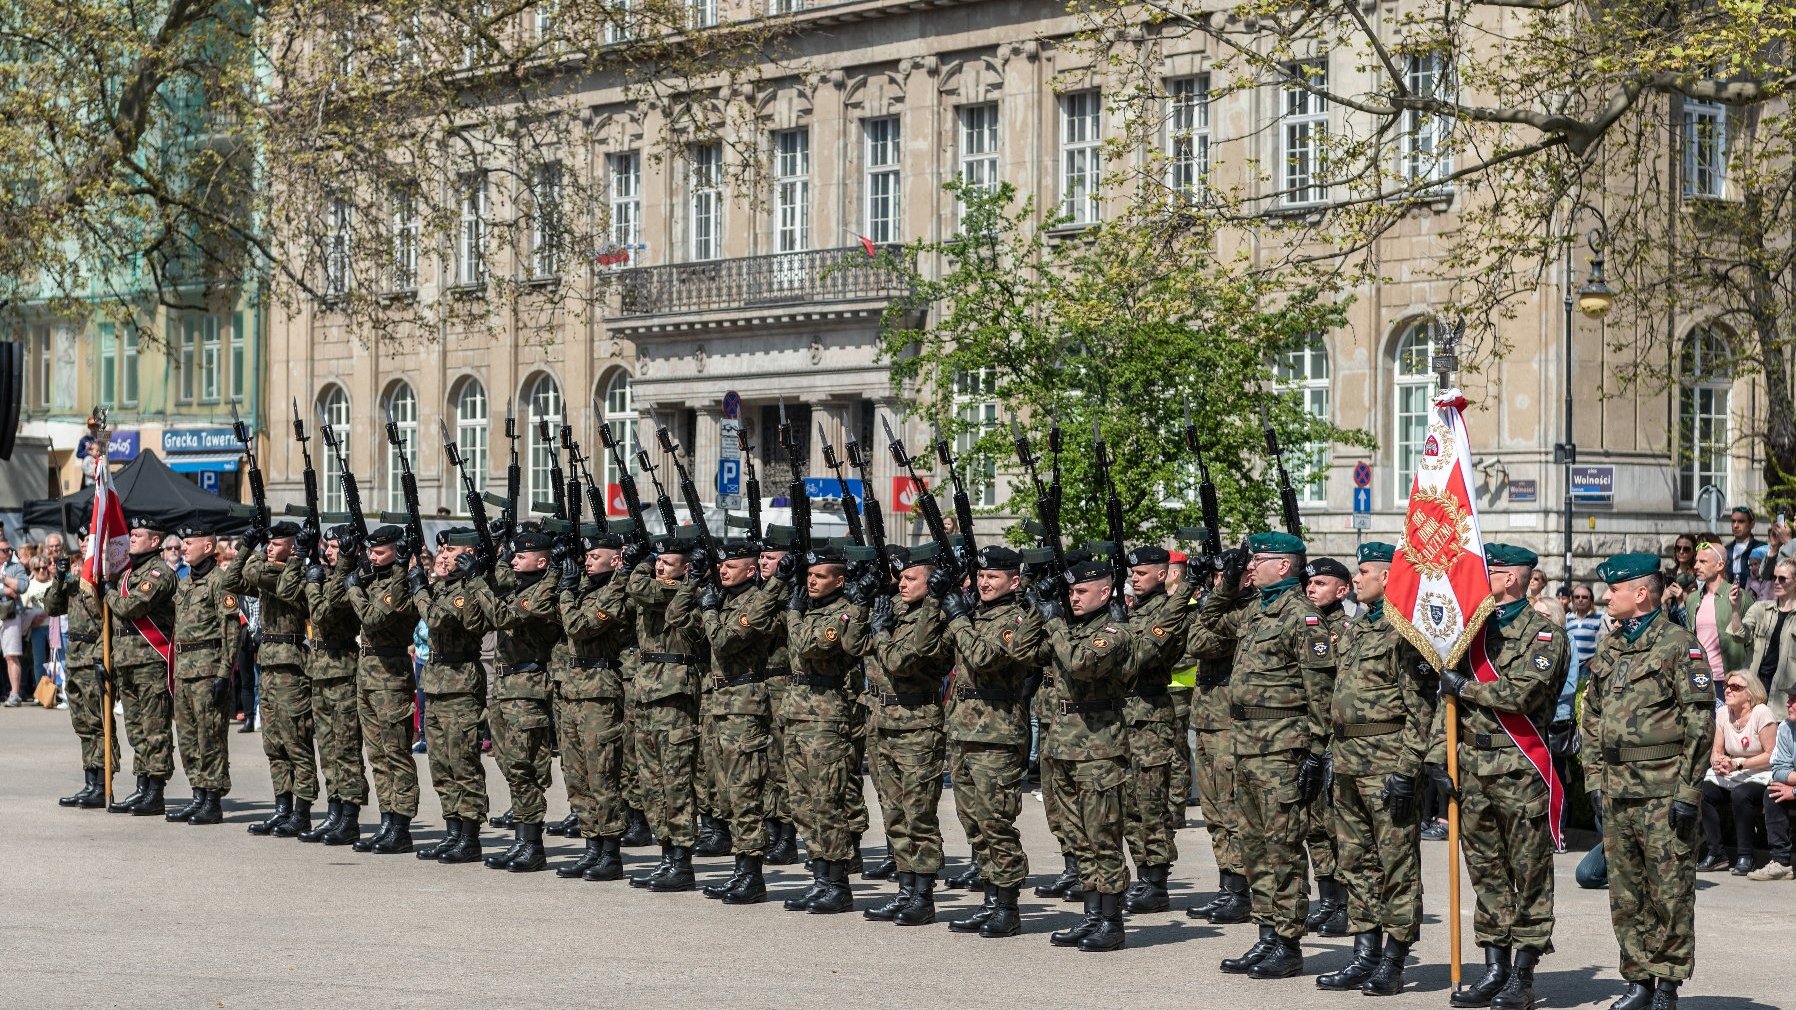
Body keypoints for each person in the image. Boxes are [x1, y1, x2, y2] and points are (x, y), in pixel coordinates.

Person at [1433, 543, 1567, 1010]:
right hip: (1471, 768)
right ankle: (1495, 969)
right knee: (1485, 871)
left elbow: (1526, 695)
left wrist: (1465, 686)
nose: (1481, 574)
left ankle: (1524, 977)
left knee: (1528, 873)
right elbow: (1445, 706)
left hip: (1519, 768)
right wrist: (1438, 760)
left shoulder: (1544, 636)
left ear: (1513, 578)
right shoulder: (1471, 633)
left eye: (1491, 569)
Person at [1581, 552, 1713, 1010]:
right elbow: (1591, 716)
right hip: (1618, 791)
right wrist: (1594, 779)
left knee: (1669, 892)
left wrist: (1689, 790)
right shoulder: (1611, 648)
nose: (1606, 597)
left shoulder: (1679, 644)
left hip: (1663, 790)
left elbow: (1700, 722)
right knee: (1626, 892)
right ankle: (1637, 980)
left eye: (1613, 589)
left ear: (1640, 594)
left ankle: (1667, 986)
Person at [1212, 531, 1335, 979]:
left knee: (1283, 848)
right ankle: (1266, 935)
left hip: (1282, 749)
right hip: (1246, 746)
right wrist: (1227, 582)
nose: (1251, 567)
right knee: (1254, 847)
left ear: (1284, 566)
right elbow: (1207, 627)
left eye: (1258, 560)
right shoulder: (1255, 611)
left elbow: (1320, 692)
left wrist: (1317, 753)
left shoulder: (1301, 618)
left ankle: (1288, 941)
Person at [1316, 542, 1434, 997]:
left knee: (1396, 864)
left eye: (1365, 571)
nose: (1358, 578)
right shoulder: (1355, 629)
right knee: (1354, 861)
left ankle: (1394, 959)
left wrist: (1407, 770)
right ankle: (1364, 953)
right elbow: (1339, 700)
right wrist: (1330, 753)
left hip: (1384, 764)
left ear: (1388, 577)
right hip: (1347, 763)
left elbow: (1419, 709)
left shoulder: (1403, 632)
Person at [845, 544, 951, 924]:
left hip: (917, 725)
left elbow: (901, 661)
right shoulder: (892, 608)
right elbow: (851, 644)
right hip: (881, 721)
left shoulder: (934, 617)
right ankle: (905, 890)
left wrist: (884, 629)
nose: (902, 584)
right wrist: (866, 607)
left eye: (910, 578)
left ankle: (923, 896)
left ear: (931, 581)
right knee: (893, 815)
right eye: (900, 577)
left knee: (918, 814)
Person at [938, 545, 1040, 937]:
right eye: (980, 576)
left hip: (997, 735)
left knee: (996, 822)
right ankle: (988, 897)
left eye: (993, 576)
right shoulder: (976, 616)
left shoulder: (1016, 619)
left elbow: (984, 658)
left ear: (1013, 581)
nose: (984, 582)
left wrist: (959, 618)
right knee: (973, 823)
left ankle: (1007, 906)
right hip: (963, 732)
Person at [1036, 556, 1134, 953]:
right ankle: (1092, 916)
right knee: (1078, 838)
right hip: (1063, 746)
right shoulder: (1071, 628)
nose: (1073, 599)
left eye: (1080, 592)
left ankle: (1111, 921)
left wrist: (1055, 620)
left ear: (1105, 591)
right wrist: (1038, 607)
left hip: (1098, 751)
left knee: (1102, 838)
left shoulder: (1114, 632)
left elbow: (1080, 665)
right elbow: (1028, 651)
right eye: (1070, 592)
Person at [684, 535, 782, 903]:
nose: (723, 570)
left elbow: (724, 641)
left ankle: (751, 875)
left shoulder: (755, 602)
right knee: (723, 791)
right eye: (720, 564)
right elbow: (678, 617)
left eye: (731, 565)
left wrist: (709, 610)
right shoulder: (724, 599)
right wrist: (696, 585)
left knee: (744, 793)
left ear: (752, 570)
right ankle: (739, 868)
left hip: (744, 703)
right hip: (719, 703)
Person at [622, 534, 709, 891]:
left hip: (674, 693)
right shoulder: (660, 587)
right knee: (652, 781)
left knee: (675, 781)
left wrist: (640, 561)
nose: (659, 566)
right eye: (657, 560)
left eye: (666, 562)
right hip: (646, 691)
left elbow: (640, 587)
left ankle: (681, 861)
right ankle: (665, 854)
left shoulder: (685, 590)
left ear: (686, 568)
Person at [779, 543, 863, 914]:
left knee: (827, 801)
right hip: (797, 715)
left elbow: (806, 645)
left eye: (820, 576)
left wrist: (793, 614)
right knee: (802, 803)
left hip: (826, 718)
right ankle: (820, 877)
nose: (812, 581)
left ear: (839, 580)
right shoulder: (813, 611)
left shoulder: (844, 615)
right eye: (809, 575)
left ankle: (838, 883)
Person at [223, 521, 320, 836]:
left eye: (275, 544)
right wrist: (246, 546)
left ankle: (302, 812)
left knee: (296, 741)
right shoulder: (267, 573)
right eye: (268, 543)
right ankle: (283, 808)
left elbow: (288, 588)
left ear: (292, 547)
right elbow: (233, 578)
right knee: (274, 743)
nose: (269, 549)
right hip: (268, 663)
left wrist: (298, 557)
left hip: (292, 666)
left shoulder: (300, 573)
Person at [555, 527, 637, 881]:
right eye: (586, 556)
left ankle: (611, 852)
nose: (586, 561)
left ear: (615, 560)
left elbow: (578, 626)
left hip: (600, 694)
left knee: (603, 775)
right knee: (578, 777)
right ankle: (592, 846)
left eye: (594, 556)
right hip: (574, 692)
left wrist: (565, 593)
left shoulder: (617, 594)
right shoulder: (588, 590)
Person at [1115, 545, 1191, 915]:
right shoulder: (1135, 610)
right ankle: (1142, 873)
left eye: (1142, 573)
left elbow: (1141, 656)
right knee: (1129, 804)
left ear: (1162, 575)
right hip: (1125, 715)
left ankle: (1156, 882)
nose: (1134, 578)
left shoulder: (1168, 610)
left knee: (1150, 804)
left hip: (1149, 715)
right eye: (1132, 573)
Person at [1179, 551, 1253, 924]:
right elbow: (1193, 637)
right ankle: (1226, 887)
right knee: (1213, 812)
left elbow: (1203, 644)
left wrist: (1220, 597)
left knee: (1231, 809)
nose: (1222, 580)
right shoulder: (1216, 608)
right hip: (1206, 717)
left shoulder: (1248, 611)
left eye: (1230, 574)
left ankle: (1241, 890)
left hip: (1228, 722)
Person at [410, 531, 492, 865]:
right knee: (441, 763)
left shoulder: (468, 591)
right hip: (437, 682)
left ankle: (469, 837)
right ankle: (452, 831)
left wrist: (419, 591)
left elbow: (437, 620)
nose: (442, 555)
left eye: (450, 550)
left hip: (460, 684)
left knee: (463, 763)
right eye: (441, 549)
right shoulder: (443, 588)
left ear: (468, 553)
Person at [345, 525, 423, 854]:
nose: (371, 557)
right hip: (368, 674)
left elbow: (373, 617)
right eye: (370, 552)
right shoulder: (376, 578)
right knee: (377, 755)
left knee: (396, 755)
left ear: (396, 551)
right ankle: (387, 819)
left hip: (391, 676)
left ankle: (401, 826)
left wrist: (354, 589)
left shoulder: (401, 582)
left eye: (379, 552)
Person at [299, 524, 371, 846]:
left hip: (342, 671)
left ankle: (350, 817)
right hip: (319, 672)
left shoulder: (350, 577)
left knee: (346, 748)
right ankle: (334, 810)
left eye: (333, 547)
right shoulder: (328, 577)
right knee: (327, 749)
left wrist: (339, 564)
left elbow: (323, 613)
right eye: (326, 547)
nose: (327, 552)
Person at [103, 517, 180, 815]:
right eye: (131, 534)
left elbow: (130, 607)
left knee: (155, 728)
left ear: (155, 541)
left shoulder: (159, 572)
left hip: (150, 661)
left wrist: (108, 591)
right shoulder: (129, 575)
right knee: (135, 728)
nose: (131, 538)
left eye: (138, 535)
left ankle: (156, 791)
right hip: (127, 662)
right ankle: (142, 785)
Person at [164, 522, 234, 826]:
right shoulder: (184, 583)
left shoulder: (221, 581)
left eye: (189, 542)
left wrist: (224, 671)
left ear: (208, 546)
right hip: (184, 671)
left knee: (211, 737)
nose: (183, 547)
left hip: (207, 670)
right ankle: (197, 795)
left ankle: (212, 800)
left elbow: (231, 629)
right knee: (188, 738)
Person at [43, 536, 118, 807]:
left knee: (99, 722)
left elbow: (109, 623)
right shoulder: (75, 581)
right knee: (82, 725)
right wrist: (59, 578)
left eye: (92, 539)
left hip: (94, 658)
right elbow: (52, 607)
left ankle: (102, 783)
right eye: (83, 540)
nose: (86, 545)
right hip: (74, 659)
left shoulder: (104, 580)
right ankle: (89, 782)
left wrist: (101, 656)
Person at [1302, 556, 1353, 936]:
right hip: (1307, 736)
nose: (1311, 589)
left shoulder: (1346, 629)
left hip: (1334, 738)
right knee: (1314, 825)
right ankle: (1329, 898)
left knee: (1337, 826)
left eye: (1320, 583)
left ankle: (1347, 903)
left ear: (1342, 590)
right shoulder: (1307, 625)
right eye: (1309, 583)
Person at [1695, 670, 1778, 875]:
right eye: (1726, 686)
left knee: (1742, 794)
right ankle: (1717, 853)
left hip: (1761, 774)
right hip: (1735, 773)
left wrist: (1739, 764)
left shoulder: (1762, 713)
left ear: (1749, 693)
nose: (1729, 690)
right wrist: (1717, 762)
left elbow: (1771, 755)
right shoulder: (1723, 713)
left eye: (1736, 687)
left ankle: (1746, 856)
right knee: (1702, 790)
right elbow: (1717, 749)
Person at [1670, 541, 1744, 698]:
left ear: (1720, 565)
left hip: (1729, 680)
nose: (1696, 566)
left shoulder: (1738, 596)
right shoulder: (1692, 599)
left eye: (1703, 561)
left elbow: (1750, 639)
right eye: (1696, 561)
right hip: (1698, 676)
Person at [1747, 684, 1796, 880]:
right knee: (1773, 792)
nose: (1787, 703)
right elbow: (1778, 770)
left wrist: (1793, 791)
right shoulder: (1786, 728)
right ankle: (1781, 862)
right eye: (1789, 698)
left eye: (1793, 700)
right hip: (1791, 786)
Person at [1730, 557, 1796, 700]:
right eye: (1774, 578)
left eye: (1783, 578)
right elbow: (1739, 636)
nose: (1777, 582)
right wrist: (1735, 609)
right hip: (1756, 692)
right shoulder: (1760, 608)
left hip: (1786, 698)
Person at [1, 537, 30, 706]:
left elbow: (22, 586)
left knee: (11, 655)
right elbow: (13, 589)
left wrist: (4, 579)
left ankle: (15, 694)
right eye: (4, 550)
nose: (9, 553)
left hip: (10, 614)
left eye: (9, 549)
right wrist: (5, 589)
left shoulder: (16, 567)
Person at [1727, 506, 1769, 599]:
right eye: (1733, 521)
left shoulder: (1762, 548)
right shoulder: (1725, 550)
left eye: (1741, 521)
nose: (1735, 525)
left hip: (1753, 601)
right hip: (1728, 601)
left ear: (1752, 524)